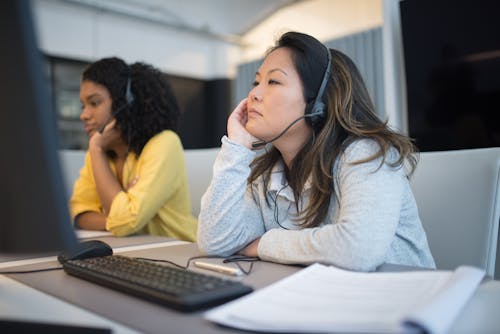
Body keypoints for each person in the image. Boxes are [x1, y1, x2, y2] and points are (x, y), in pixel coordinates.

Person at [197, 31, 435, 271]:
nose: (253, 94)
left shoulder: (366, 154)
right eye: (256, 82)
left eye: (274, 81)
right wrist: (236, 149)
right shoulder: (266, 177)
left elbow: (358, 250)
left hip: (405, 300)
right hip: (333, 299)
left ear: (317, 103)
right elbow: (215, 241)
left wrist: (263, 245)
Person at [70, 57, 197, 241]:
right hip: (130, 253)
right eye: (83, 105)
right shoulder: (98, 153)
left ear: (126, 103)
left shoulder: (164, 144)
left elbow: (123, 222)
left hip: (179, 254)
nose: (84, 115)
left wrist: (96, 149)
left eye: (94, 103)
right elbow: (79, 214)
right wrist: (119, 219)